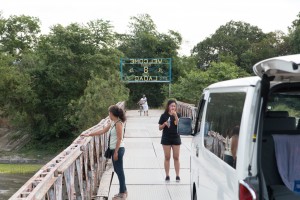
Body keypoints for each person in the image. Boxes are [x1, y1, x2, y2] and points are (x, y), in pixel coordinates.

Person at [81, 105, 127, 200]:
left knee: (119, 171)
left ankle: (122, 192)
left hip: (118, 149)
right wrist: (88, 134)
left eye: (109, 113)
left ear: (112, 114)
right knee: (118, 170)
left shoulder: (118, 123)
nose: (108, 114)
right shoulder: (113, 123)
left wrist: (116, 152)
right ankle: (123, 190)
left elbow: (119, 138)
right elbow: (102, 131)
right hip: (114, 149)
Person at [158, 99, 181, 182]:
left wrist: (175, 116)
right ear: (168, 106)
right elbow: (160, 128)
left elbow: (179, 125)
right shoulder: (164, 115)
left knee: (176, 157)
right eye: (171, 106)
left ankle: (177, 175)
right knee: (167, 157)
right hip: (166, 138)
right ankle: (167, 175)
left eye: (174, 106)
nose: (173, 107)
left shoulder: (178, 114)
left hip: (176, 137)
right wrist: (164, 124)